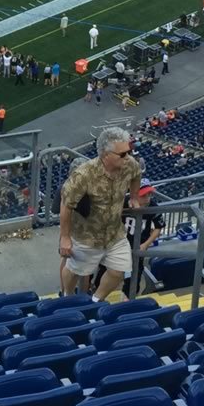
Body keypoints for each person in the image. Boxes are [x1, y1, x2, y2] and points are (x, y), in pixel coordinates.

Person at [57, 127, 146, 299]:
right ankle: (67, 296)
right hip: (87, 235)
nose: (127, 157)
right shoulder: (83, 175)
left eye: (129, 152)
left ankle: (96, 301)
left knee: (119, 270)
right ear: (106, 155)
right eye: (122, 154)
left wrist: (134, 197)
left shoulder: (129, 165)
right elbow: (66, 205)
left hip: (115, 233)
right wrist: (65, 237)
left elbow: (136, 174)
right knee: (75, 269)